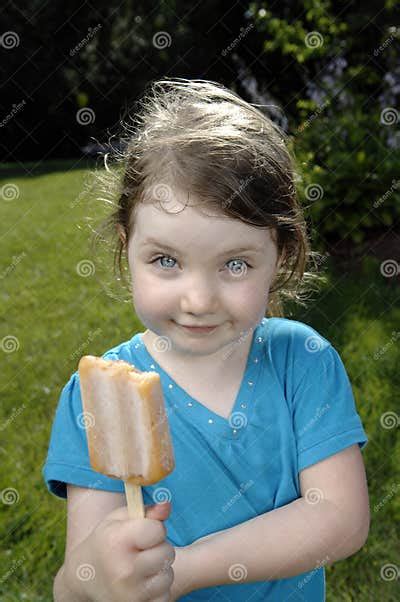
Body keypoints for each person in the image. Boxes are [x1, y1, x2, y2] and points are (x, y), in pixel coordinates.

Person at [43, 78, 370, 601]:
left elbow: (339, 517)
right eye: (165, 260)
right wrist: (97, 575)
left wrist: (186, 568)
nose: (198, 299)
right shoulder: (94, 398)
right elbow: (71, 587)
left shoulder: (302, 363)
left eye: (234, 264)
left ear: (280, 257)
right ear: (127, 248)